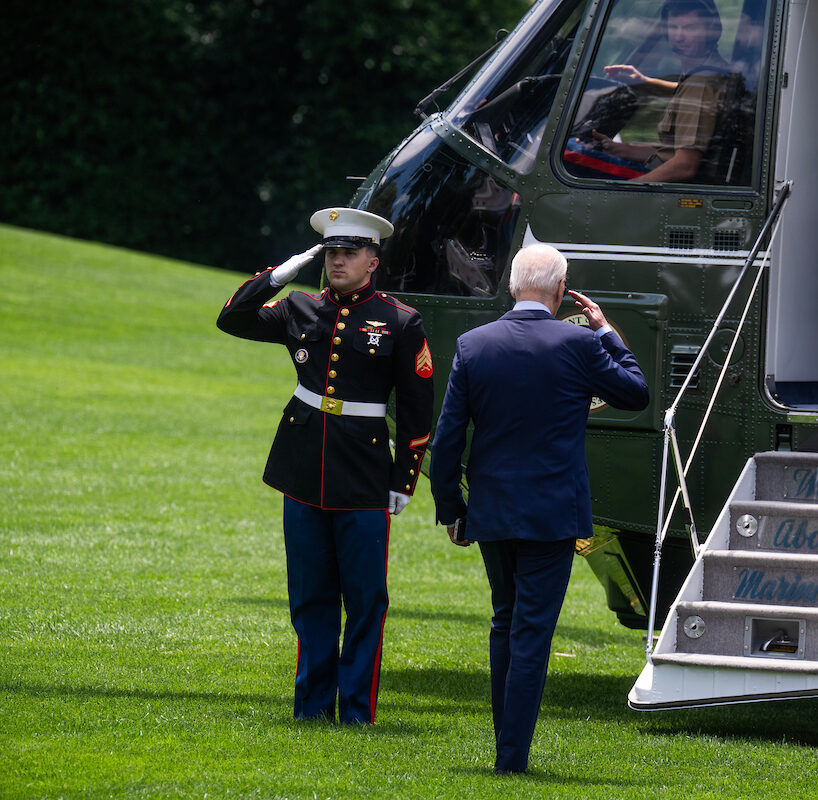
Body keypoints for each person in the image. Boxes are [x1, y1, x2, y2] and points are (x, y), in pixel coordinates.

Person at [428, 243, 649, 774]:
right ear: (559, 290)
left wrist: (452, 508)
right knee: (531, 631)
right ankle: (511, 759)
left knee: (505, 621)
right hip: (552, 513)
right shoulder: (577, 342)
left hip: (493, 510)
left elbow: (448, 439)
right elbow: (635, 393)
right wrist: (605, 330)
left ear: (511, 286)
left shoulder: (473, 345)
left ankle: (507, 747)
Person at [216, 207, 434, 725]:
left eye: (349, 252)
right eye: (331, 252)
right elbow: (232, 318)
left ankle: (357, 710)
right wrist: (281, 273)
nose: (337, 261)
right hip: (303, 466)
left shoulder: (401, 321)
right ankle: (312, 707)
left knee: (364, 600)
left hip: (363, 474)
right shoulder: (299, 307)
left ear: (372, 261)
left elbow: (419, 408)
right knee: (310, 597)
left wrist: (404, 477)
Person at [589, 0, 731, 183]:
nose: (678, 37)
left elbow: (684, 166)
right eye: (673, 27)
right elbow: (670, 152)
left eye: (690, 28)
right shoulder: (710, 75)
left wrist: (627, 189)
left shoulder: (699, 85)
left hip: (660, 181)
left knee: (568, 152)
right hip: (659, 169)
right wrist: (616, 148)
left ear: (711, 32)